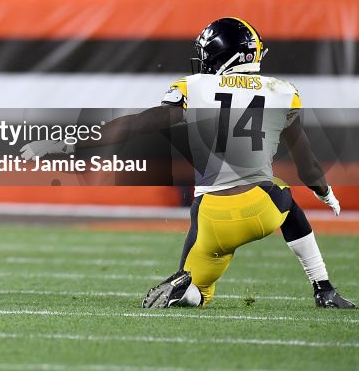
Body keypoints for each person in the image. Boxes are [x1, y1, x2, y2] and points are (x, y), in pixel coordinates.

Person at [21, 18, 354, 309]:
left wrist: (68, 142)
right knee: (288, 202)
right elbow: (306, 164)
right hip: (261, 209)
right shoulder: (283, 92)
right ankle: (323, 288)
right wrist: (326, 194)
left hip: (209, 215)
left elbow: (134, 125)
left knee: (198, 291)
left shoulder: (194, 88)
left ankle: (184, 289)